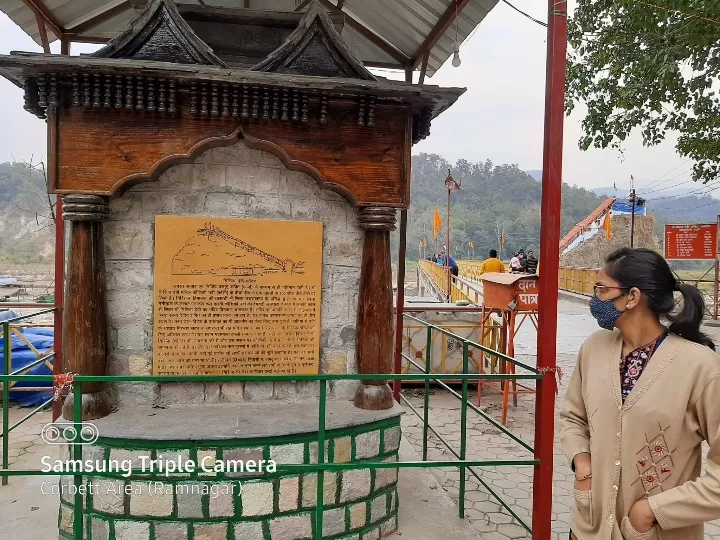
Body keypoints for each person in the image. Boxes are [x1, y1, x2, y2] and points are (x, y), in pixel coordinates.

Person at [559, 248, 720, 540]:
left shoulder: (700, 367)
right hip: (588, 526)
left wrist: (654, 510)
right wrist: (582, 462)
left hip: (654, 533)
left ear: (632, 297)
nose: (596, 298)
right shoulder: (594, 348)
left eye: (602, 289)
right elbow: (573, 416)